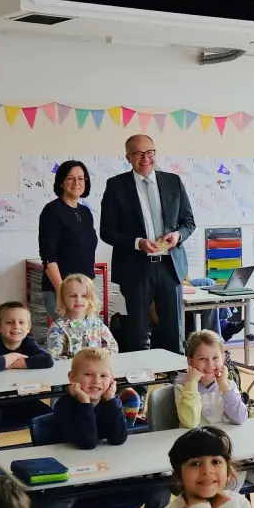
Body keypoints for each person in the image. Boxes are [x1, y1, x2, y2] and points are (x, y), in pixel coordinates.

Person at [100, 135, 197, 353]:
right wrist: (137, 242)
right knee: (137, 329)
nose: (145, 158)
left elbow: (189, 222)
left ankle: (174, 378)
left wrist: (177, 236)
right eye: (138, 154)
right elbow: (107, 232)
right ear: (128, 157)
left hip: (169, 265)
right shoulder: (116, 186)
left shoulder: (173, 182)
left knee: (173, 327)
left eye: (150, 152)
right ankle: (140, 383)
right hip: (135, 267)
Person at [176, 330, 254, 508]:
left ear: (223, 358)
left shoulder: (228, 385)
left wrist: (224, 388)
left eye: (216, 358)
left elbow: (240, 418)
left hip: (232, 452)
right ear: (190, 362)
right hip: (204, 458)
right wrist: (192, 384)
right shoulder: (183, 387)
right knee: (230, 482)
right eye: (202, 359)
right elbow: (190, 423)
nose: (210, 365)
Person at [0, 301, 55, 452]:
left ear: (28, 328)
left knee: (49, 416)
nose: (16, 327)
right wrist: (13, 356)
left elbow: (47, 360)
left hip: (18, 400)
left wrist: (11, 364)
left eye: (21, 322)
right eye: (9, 322)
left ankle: (45, 455)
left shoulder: (27, 343)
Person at [37, 160, 100, 326]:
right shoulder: (52, 210)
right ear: (61, 182)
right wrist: (62, 292)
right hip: (60, 291)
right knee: (69, 337)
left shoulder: (86, 212)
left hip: (84, 292)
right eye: (71, 178)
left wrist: (90, 291)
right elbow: (48, 257)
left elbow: (88, 255)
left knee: (86, 338)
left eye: (81, 178)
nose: (76, 183)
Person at [51, 347, 129, 450]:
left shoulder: (111, 401)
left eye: (103, 375)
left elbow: (118, 439)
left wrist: (110, 400)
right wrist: (85, 403)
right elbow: (87, 443)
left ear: (111, 380)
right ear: (72, 377)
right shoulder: (64, 405)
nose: (96, 381)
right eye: (88, 374)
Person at [47, 272, 119, 358]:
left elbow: (113, 348)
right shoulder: (57, 328)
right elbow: (54, 358)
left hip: (96, 368)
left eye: (84, 296)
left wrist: (99, 355)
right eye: (73, 295)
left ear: (91, 299)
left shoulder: (97, 324)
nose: (78, 299)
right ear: (63, 299)